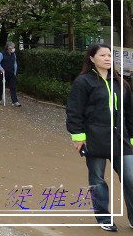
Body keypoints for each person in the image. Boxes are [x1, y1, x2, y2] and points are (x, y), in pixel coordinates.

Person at [66, 43, 133, 232]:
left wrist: (132, 138)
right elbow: (74, 110)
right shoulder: (83, 82)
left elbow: (129, 113)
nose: (107, 58)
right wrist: (78, 137)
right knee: (97, 179)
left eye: (110, 55)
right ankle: (104, 217)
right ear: (92, 58)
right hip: (95, 138)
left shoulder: (122, 83)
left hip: (122, 139)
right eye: (103, 55)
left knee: (131, 178)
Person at [0, 41, 20, 106]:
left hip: (11, 73)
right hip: (3, 72)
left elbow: (15, 63)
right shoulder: (1, 54)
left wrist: (15, 72)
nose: (13, 49)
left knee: (13, 87)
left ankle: (15, 101)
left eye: (13, 47)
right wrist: (0, 68)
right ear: (8, 48)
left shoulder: (13, 54)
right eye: (12, 47)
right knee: (1, 86)